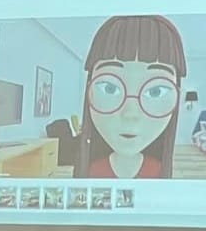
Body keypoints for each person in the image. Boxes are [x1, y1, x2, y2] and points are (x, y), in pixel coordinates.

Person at [76, 15, 187, 180]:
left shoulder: (157, 171)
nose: (130, 114)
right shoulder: (94, 171)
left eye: (156, 92)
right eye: (109, 88)